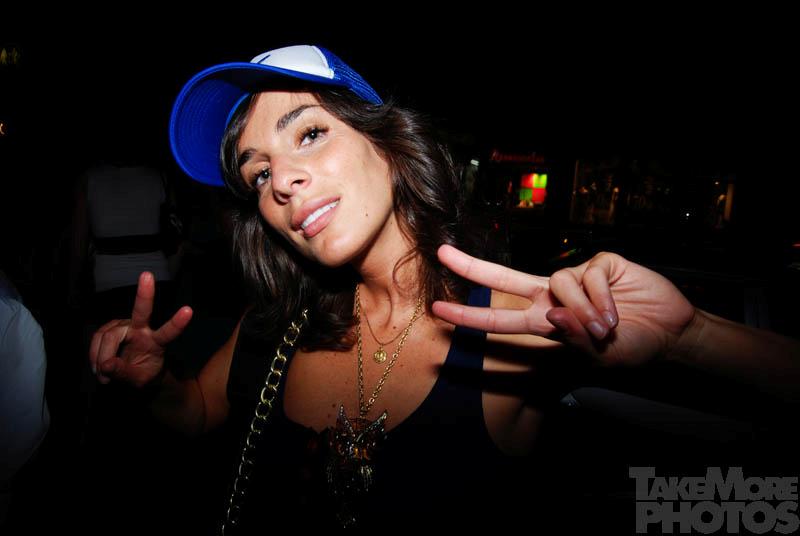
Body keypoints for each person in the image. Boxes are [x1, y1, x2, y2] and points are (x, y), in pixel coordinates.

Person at [88, 45, 800, 532]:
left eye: (308, 135)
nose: (283, 182)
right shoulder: (275, 325)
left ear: (389, 145)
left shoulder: (522, 324)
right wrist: (155, 385)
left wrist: (690, 338)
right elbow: (199, 413)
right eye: (259, 173)